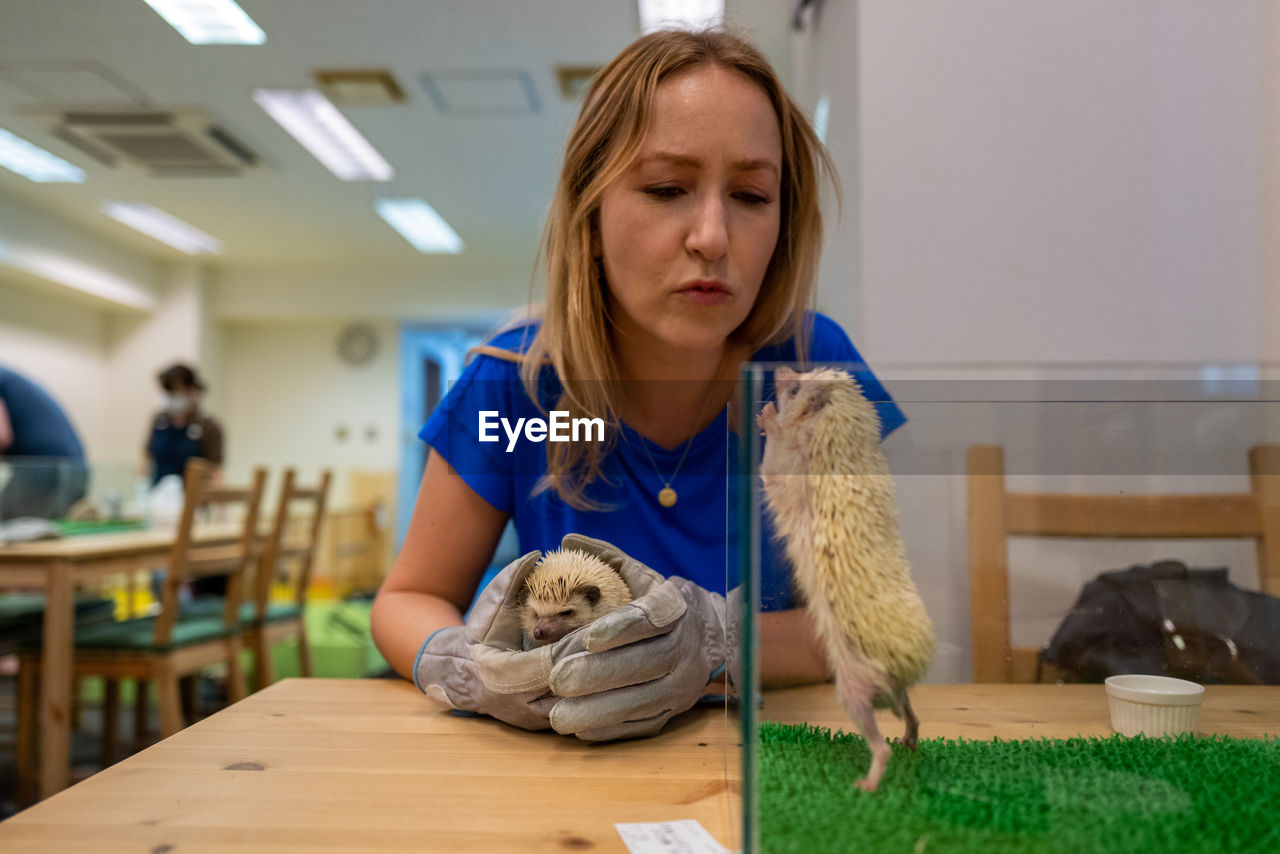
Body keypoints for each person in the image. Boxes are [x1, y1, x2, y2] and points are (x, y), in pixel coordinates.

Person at [371, 28, 905, 741]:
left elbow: (866, 623)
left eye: (750, 195)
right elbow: (410, 596)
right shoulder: (516, 387)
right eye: (666, 189)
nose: (712, 236)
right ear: (590, 214)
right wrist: (460, 663)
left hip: (777, 762)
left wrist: (718, 642)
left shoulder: (810, 373)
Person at [144, 363, 226, 597]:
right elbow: (146, 459)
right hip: (159, 510)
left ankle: (181, 614)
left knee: (186, 571)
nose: (172, 397)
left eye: (177, 391)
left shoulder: (208, 426)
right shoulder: (159, 421)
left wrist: (221, 513)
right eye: (168, 392)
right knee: (159, 570)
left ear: (193, 391)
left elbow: (215, 473)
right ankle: (166, 614)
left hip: (195, 513)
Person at [0, 364, 88, 520]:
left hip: (46, 470)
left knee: (16, 530)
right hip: (70, 468)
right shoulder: (8, 378)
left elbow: (2, 437)